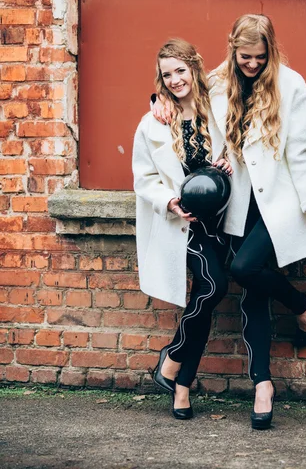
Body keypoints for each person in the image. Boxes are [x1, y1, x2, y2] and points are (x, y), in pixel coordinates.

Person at [152, 14, 306, 430]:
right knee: (252, 291)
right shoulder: (220, 81)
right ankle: (263, 385)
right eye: (244, 56)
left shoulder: (292, 85)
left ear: (270, 50)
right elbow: (179, 89)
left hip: (280, 202)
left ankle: (302, 305)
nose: (251, 64)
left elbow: (300, 151)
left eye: (259, 56)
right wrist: (157, 100)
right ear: (233, 50)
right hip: (237, 205)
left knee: (245, 270)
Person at [132, 38, 232, 420]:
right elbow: (143, 178)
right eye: (166, 74)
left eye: (180, 70)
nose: (174, 80)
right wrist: (169, 202)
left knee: (202, 303)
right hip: (185, 225)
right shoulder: (153, 123)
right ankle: (173, 358)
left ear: (194, 68)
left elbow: (242, 146)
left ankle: (181, 387)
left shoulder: (219, 107)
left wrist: (230, 163)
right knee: (214, 287)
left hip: (223, 222)